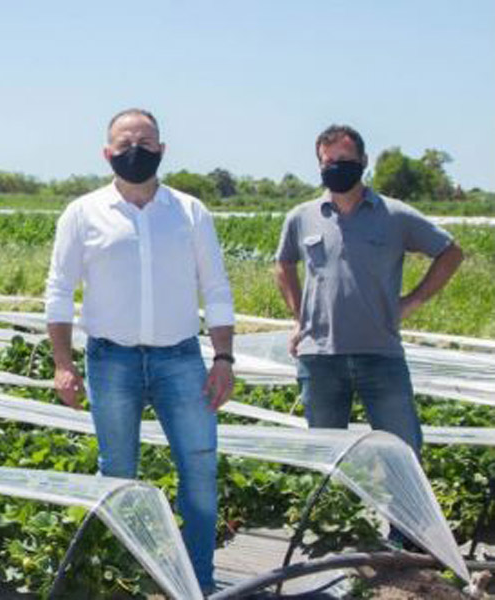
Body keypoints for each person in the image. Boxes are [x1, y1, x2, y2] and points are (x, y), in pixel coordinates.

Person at [45, 108, 235, 593]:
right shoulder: (83, 213)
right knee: (118, 474)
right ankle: (126, 578)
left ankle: (198, 583)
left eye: (146, 142)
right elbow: (59, 291)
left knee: (199, 470)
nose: (136, 150)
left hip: (180, 359)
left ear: (163, 149)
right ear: (107, 153)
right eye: (125, 143)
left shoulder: (189, 212)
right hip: (112, 360)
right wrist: (63, 364)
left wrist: (223, 359)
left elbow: (215, 290)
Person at [274, 124, 464, 456]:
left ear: (363, 160)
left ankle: (398, 510)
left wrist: (413, 300)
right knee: (325, 456)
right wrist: (299, 319)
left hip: (380, 355)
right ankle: (334, 509)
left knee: (403, 452)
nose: (335, 167)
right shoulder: (302, 217)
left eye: (344, 159)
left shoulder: (394, 215)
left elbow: (450, 252)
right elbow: (283, 264)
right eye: (328, 161)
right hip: (320, 358)